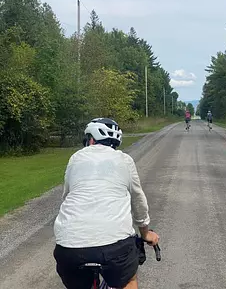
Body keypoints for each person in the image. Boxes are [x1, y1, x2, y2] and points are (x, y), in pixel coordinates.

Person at [53, 117, 159, 289]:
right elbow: (138, 201)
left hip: (69, 247)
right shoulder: (124, 160)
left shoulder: (75, 158)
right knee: (128, 281)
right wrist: (145, 233)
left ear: (91, 139)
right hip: (115, 248)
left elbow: (66, 197)